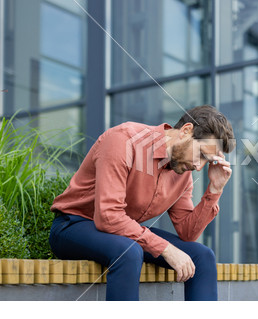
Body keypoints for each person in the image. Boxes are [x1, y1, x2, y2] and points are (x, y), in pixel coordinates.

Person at [48, 105, 235, 301]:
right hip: (73, 226)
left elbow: (187, 233)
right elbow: (108, 216)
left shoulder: (182, 173)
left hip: (124, 233)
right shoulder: (124, 140)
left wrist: (215, 189)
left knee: (203, 256)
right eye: (202, 154)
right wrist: (166, 249)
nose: (199, 167)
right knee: (129, 252)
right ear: (186, 131)